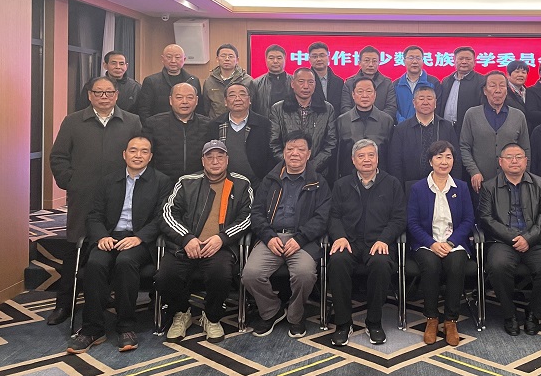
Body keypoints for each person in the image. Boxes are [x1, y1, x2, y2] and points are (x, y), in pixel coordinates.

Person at [48, 76, 142, 326]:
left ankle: (105, 295)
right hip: (84, 195)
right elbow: (58, 157)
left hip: (119, 196)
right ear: (89, 95)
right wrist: (72, 182)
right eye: (98, 92)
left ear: (117, 95)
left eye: (109, 92)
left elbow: (139, 153)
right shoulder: (73, 121)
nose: (104, 97)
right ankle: (64, 304)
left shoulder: (132, 121)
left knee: (110, 245)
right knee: (75, 248)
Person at [66, 136, 171, 354]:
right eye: (133, 150)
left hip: (139, 240)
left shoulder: (161, 181)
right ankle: (93, 329)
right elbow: (94, 215)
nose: (138, 155)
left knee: (125, 262)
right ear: (124, 154)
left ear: (150, 157)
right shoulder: (108, 180)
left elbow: (161, 218)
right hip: (110, 237)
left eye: (144, 151)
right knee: (95, 263)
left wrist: (139, 237)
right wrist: (101, 237)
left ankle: (126, 327)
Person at [157, 140, 252, 344]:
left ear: (227, 160)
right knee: (165, 276)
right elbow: (167, 214)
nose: (215, 161)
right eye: (210, 157)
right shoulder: (186, 182)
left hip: (220, 246)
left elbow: (247, 217)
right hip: (185, 245)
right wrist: (186, 238)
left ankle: (212, 316)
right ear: (202, 161)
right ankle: (181, 313)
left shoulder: (241, 184)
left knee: (221, 275)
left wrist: (222, 238)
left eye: (220, 156)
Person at [242, 131, 330, 338]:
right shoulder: (270, 180)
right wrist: (268, 237)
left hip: (302, 240)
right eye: (290, 149)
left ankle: (295, 316)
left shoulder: (319, 182)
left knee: (304, 274)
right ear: (283, 152)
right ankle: (271, 311)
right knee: (250, 275)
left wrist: (300, 239)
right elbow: (256, 213)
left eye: (300, 149)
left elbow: (322, 218)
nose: (295, 153)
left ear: (309, 154)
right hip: (271, 238)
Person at [328, 139, 406, 346]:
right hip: (349, 241)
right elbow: (333, 216)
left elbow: (399, 218)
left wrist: (384, 239)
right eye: (361, 156)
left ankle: (374, 322)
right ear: (353, 160)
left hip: (378, 241)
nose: (367, 160)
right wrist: (340, 236)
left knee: (381, 264)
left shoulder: (392, 183)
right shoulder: (341, 185)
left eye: (371, 155)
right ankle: (343, 323)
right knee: (337, 261)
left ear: (378, 159)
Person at [479, 142, 541, 336]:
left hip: (535, 240)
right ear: (500, 162)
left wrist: (528, 238)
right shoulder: (489, 186)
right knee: (498, 266)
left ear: (526, 161)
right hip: (502, 241)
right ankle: (510, 315)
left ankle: (534, 313)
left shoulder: (540, 184)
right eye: (509, 157)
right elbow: (486, 218)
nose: (514, 161)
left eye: (519, 157)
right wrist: (514, 237)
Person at [406, 141, 473, 346]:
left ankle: (451, 321)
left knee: (456, 264)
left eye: (448, 157)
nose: (444, 162)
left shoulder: (461, 187)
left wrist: (451, 242)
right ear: (430, 161)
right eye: (439, 157)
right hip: (427, 243)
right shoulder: (418, 188)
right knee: (431, 265)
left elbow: (468, 220)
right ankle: (432, 318)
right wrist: (432, 243)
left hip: (454, 243)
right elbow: (412, 223)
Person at [460, 71, 530, 196]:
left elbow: (525, 149)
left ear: (507, 90)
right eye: (492, 85)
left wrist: (523, 177)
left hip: (512, 182)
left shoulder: (518, 116)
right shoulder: (472, 114)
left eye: (502, 86)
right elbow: (464, 147)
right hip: (480, 183)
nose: (498, 90)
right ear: (485, 90)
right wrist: (474, 171)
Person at [269, 68, 337, 177]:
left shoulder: (327, 109)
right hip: (286, 172)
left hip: (318, 174)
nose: (306, 86)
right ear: (292, 84)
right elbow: (274, 144)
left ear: (315, 84)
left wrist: (311, 167)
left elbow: (331, 144)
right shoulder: (278, 109)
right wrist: (293, 165)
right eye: (301, 81)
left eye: (310, 82)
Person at [388, 85, 460, 183]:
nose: (425, 102)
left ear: (435, 103)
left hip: (442, 185)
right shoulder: (401, 129)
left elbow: (456, 159)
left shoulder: (446, 127)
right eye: (421, 99)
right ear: (414, 103)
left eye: (429, 98)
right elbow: (395, 163)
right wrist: (399, 187)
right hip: (410, 185)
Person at [206, 83, 272, 191]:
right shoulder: (215, 125)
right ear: (225, 101)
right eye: (232, 95)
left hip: (257, 185)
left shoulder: (264, 124)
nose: (237, 99)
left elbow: (270, 157)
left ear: (249, 100)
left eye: (242, 94)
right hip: (223, 184)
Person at [143, 83, 210, 183]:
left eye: (190, 97)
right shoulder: (153, 124)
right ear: (170, 100)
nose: (184, 102)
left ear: (196, 101)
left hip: (198, 183)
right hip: (162, 183)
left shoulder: (208, 125)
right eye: (179, 97)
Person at [335, 77, 393, 179]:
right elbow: (337, 157)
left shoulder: (386, 121)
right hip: (348, 179)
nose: (365, 95)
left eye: (369, 91)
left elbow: (392, 155)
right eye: (360, 91)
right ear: (353, 95)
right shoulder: (342, 121)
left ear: (375, 94)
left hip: (380, 179)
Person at [137, 44, 202, 123]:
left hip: (189, 126)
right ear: (162, 59)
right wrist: (151, 127)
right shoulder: (151, 81)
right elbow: (144, 111)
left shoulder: (193, 81)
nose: (173, 61)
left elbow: (199, 109)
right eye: (169, 57)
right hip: (159, 126)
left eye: (177, 57)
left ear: (184, 59)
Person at [437, 46, 486, 134]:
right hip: (446, 127)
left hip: (469, 129)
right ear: (454, 61)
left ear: (474, 62)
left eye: (468, 59)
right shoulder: (446, 80)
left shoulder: (482, 81)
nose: (464, 62)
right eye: (460, 59)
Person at [340, 46, 397, 118]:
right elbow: (345, 108)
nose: (370, 64)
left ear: (379, 63)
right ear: (359, 63)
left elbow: (391, 108)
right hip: (353, 123)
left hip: (381, 123)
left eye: (374, 61)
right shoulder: (349, 83)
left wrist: (376, 121)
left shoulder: (387, 83)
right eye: (366, 60)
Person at [76, 51, 141, 113]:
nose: (118, 67)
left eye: (121, 64)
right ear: (105, 65)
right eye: (113, 63)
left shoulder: (135, 87)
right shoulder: (93, 85)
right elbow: (82, 109)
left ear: (126, 66)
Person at [202, 44, 254, 120]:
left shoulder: (248, 81)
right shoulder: (209, 82)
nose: (227, 59)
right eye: (223, 56)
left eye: (230, 56)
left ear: (237, 60)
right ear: (217, 59)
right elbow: (206, 107)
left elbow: (253, 106)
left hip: (241, 122)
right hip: (216, 123)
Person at [394, 45, 441, 124]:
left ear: (423, 61)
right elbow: (393, 108)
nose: (415, 61)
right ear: (404, 61)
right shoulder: (396, 84)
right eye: (411, 58)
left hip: (427, 126)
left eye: (418, 58)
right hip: (402, 127)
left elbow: (438, 107)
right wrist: (404, 124)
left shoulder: (433, 82)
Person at [252, 44, 292, 117]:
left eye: (279, 58)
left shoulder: (294, 82)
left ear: (285, 59)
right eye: (271, 58)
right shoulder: (256, 83)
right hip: (265, 123)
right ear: (266, 60)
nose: (275, 61)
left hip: (289, 123)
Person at [308, 41, 345, 117]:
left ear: (329, 58)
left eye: (322, 55)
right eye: (314, 56)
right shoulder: (305, 82)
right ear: (309, 59)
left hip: (335, 122)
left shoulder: (339, 82)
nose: (319, 59)